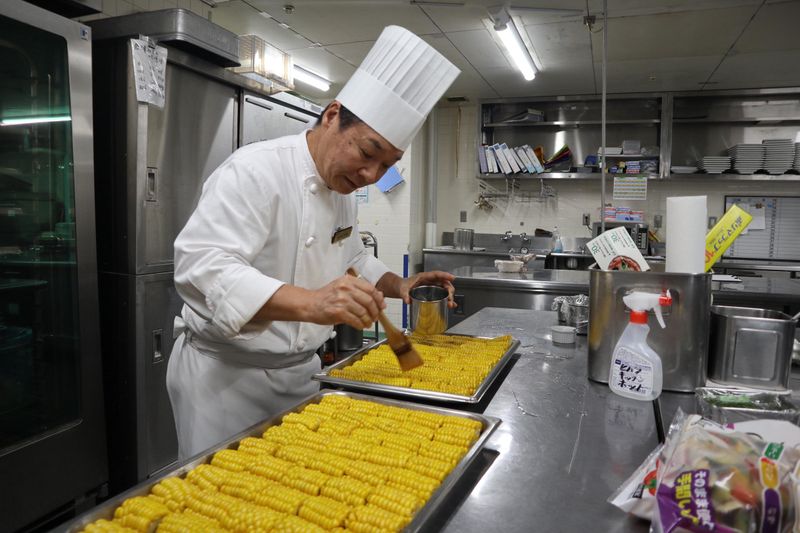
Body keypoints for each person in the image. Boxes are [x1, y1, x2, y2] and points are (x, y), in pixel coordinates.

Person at [166, 25, 461, 460]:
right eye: (367, 153)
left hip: (302, 377)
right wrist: (311, 303)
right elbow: (202, 269)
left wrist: (399, 285)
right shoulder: (254, 171)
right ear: (332, 116)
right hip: (225, 383)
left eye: (387, 165)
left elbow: (353, 257)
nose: (371, 176)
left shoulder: (343, 190)